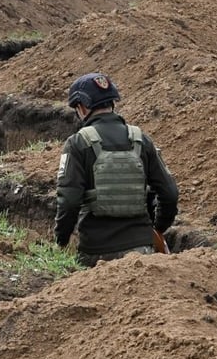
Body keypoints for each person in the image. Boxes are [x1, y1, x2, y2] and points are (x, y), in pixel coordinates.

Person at [54, 72, 179, 267]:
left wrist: (61, 240)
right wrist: (157, 228)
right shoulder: (141, 140)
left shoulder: (78, 143)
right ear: (112, 103)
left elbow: (69, 202)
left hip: (95, 254)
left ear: (83, 107)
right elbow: (169, 194)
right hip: (142, 253)